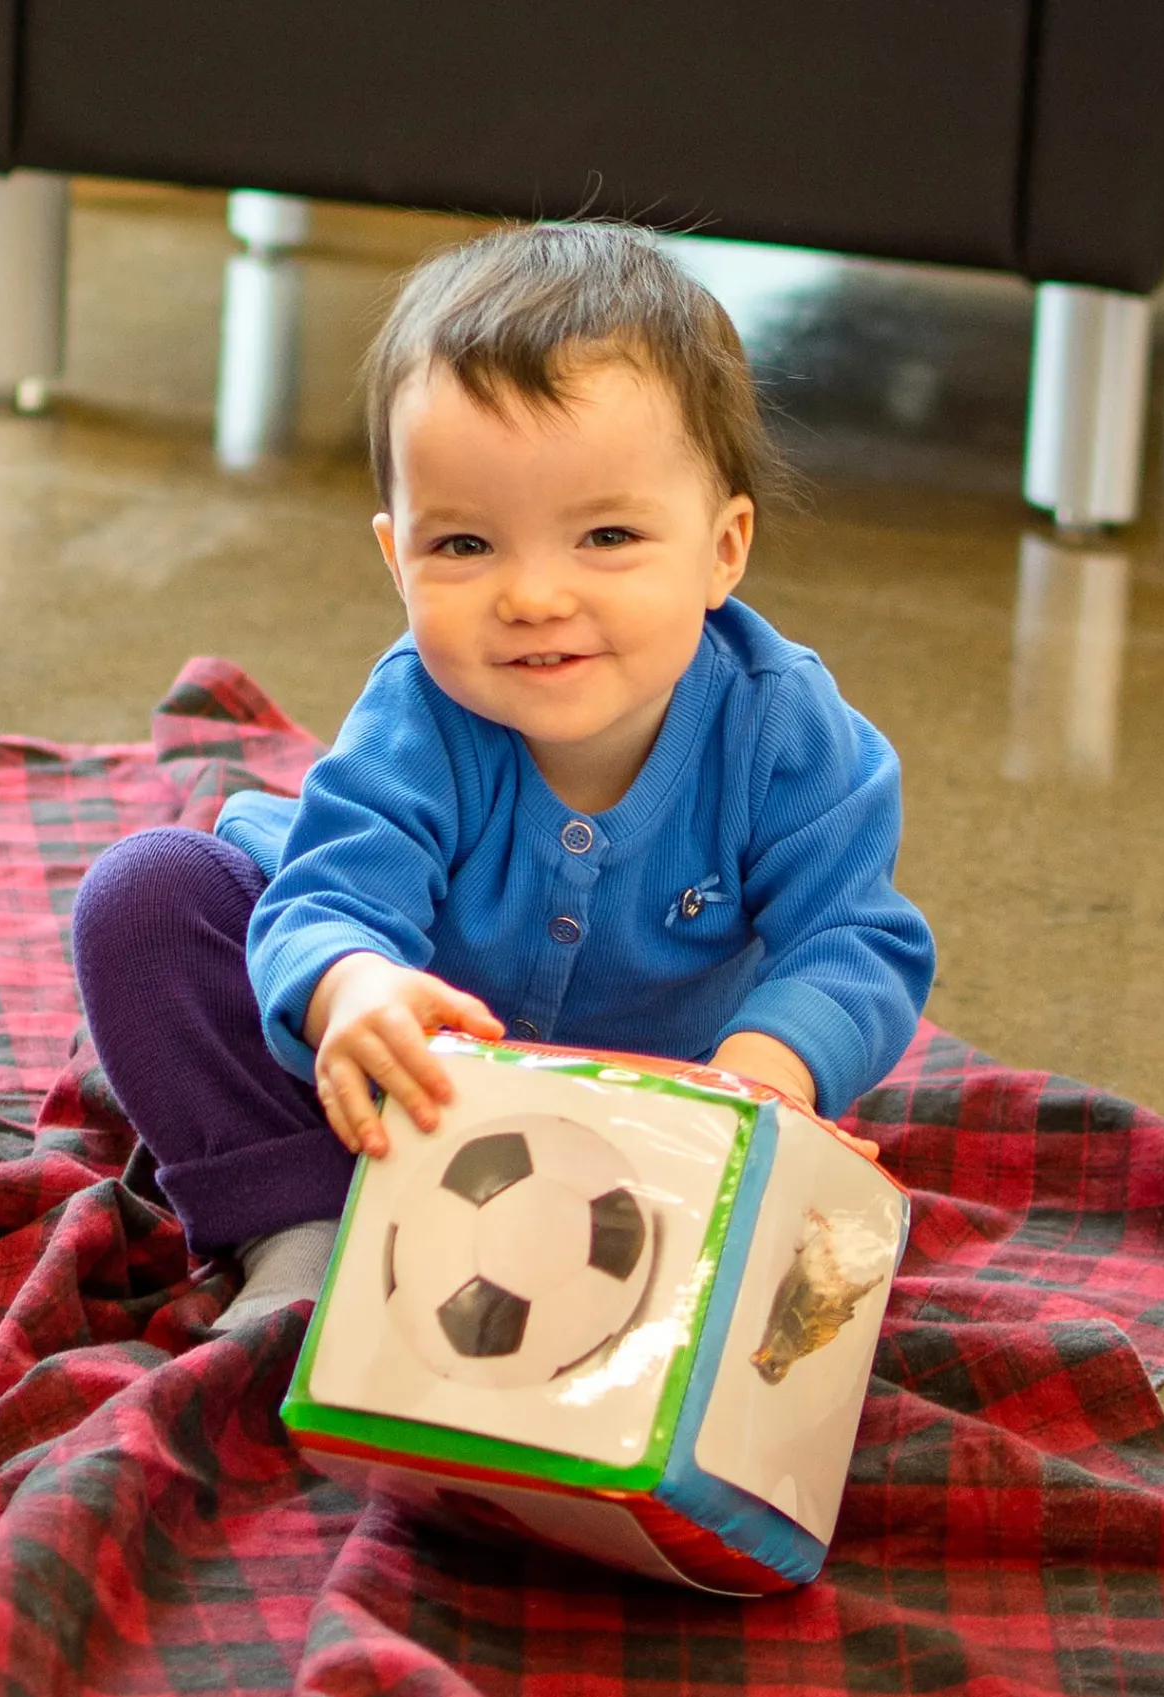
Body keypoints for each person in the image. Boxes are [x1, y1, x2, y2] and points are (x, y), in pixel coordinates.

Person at [71, 222, 935, 1317]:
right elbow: (332, 898)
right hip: (410, 1097)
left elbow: (855, 940)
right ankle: (299, 1229)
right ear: (397, 559)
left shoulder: (786, 730)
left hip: (654, 1135)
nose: (533, 597)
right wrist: (352, 988)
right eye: (466, 546)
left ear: (723, 549)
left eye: (607, 537)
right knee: (145, 899)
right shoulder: (419, 713)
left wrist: (767, 1072)